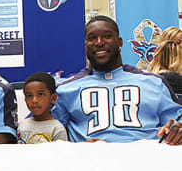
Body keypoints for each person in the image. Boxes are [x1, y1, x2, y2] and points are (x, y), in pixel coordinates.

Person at [52, 15, 182, 145]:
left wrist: (178, 129)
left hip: (144, 161)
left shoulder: (155, 83)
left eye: (107, 36)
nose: (99, 42)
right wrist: (80, 150)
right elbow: (42, 130)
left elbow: (176, 122)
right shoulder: (65, 90)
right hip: (89, 162)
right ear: (85, 44)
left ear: (120, 42)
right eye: (92, 38)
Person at [18, 72, 67, 144]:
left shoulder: (57, 128)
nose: (34, 100)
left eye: (41, 94)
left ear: (53, 98)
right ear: (25, 99)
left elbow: (61, 153)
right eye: (29, 96)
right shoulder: (22, 125)